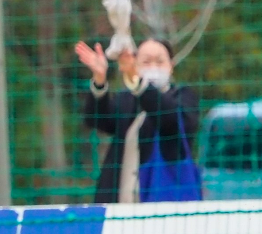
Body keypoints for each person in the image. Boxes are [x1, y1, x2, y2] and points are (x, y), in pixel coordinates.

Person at [76, 37, 201, 203]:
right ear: (135, 65)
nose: (153, 67)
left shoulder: (183, 97)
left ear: (171, 66)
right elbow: (96, 119)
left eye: (160, 61)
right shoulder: (127, 99)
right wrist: (99, 80)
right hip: (120, 204)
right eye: (146, 62)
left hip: (164, 203)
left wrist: (138, 84)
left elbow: (168, 120)